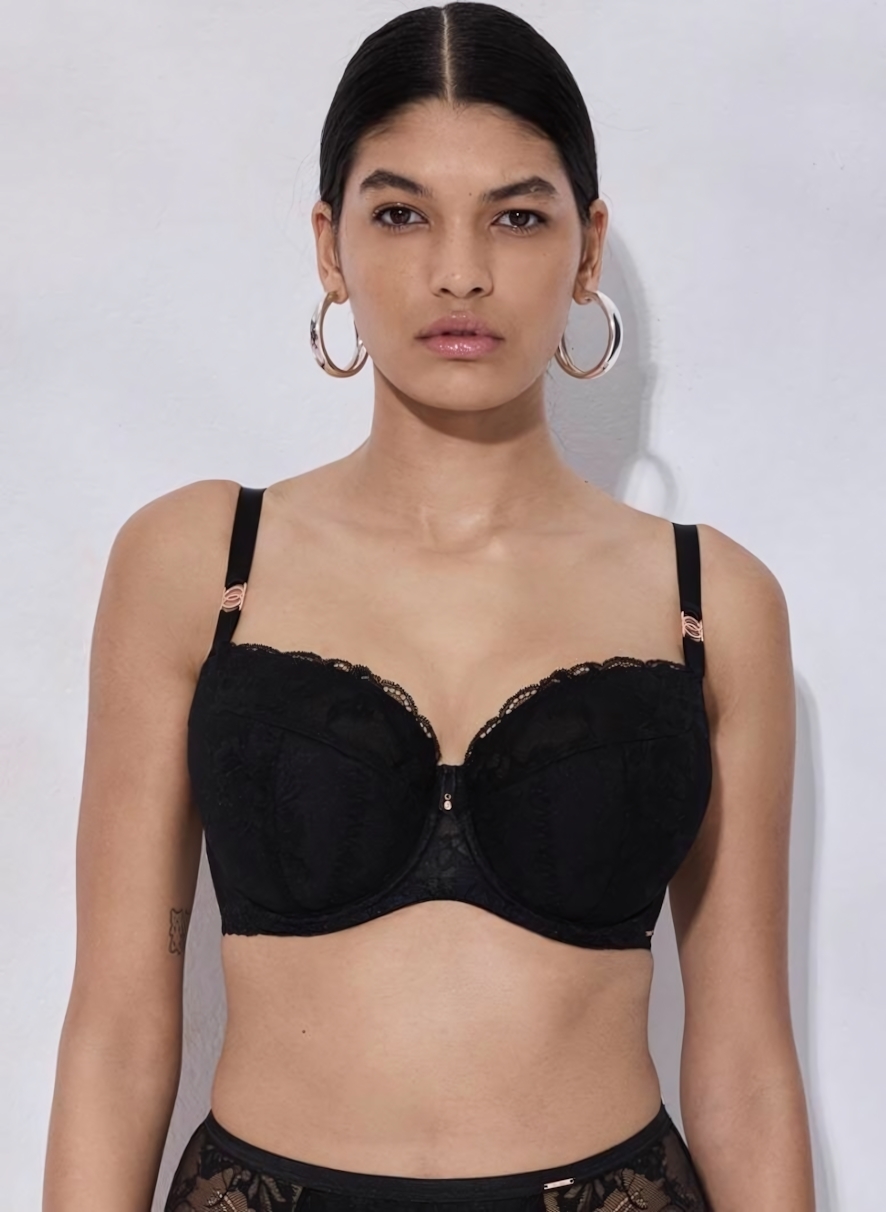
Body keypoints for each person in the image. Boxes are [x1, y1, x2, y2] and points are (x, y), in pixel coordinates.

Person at [42, 4, 816, 1210]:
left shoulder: (709, 600)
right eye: (401, 214)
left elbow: (746, 1067)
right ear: (330, 246)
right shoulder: (199, 563)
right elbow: (117, 1031)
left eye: (517, 216)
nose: (460, 272)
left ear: (588, 248)